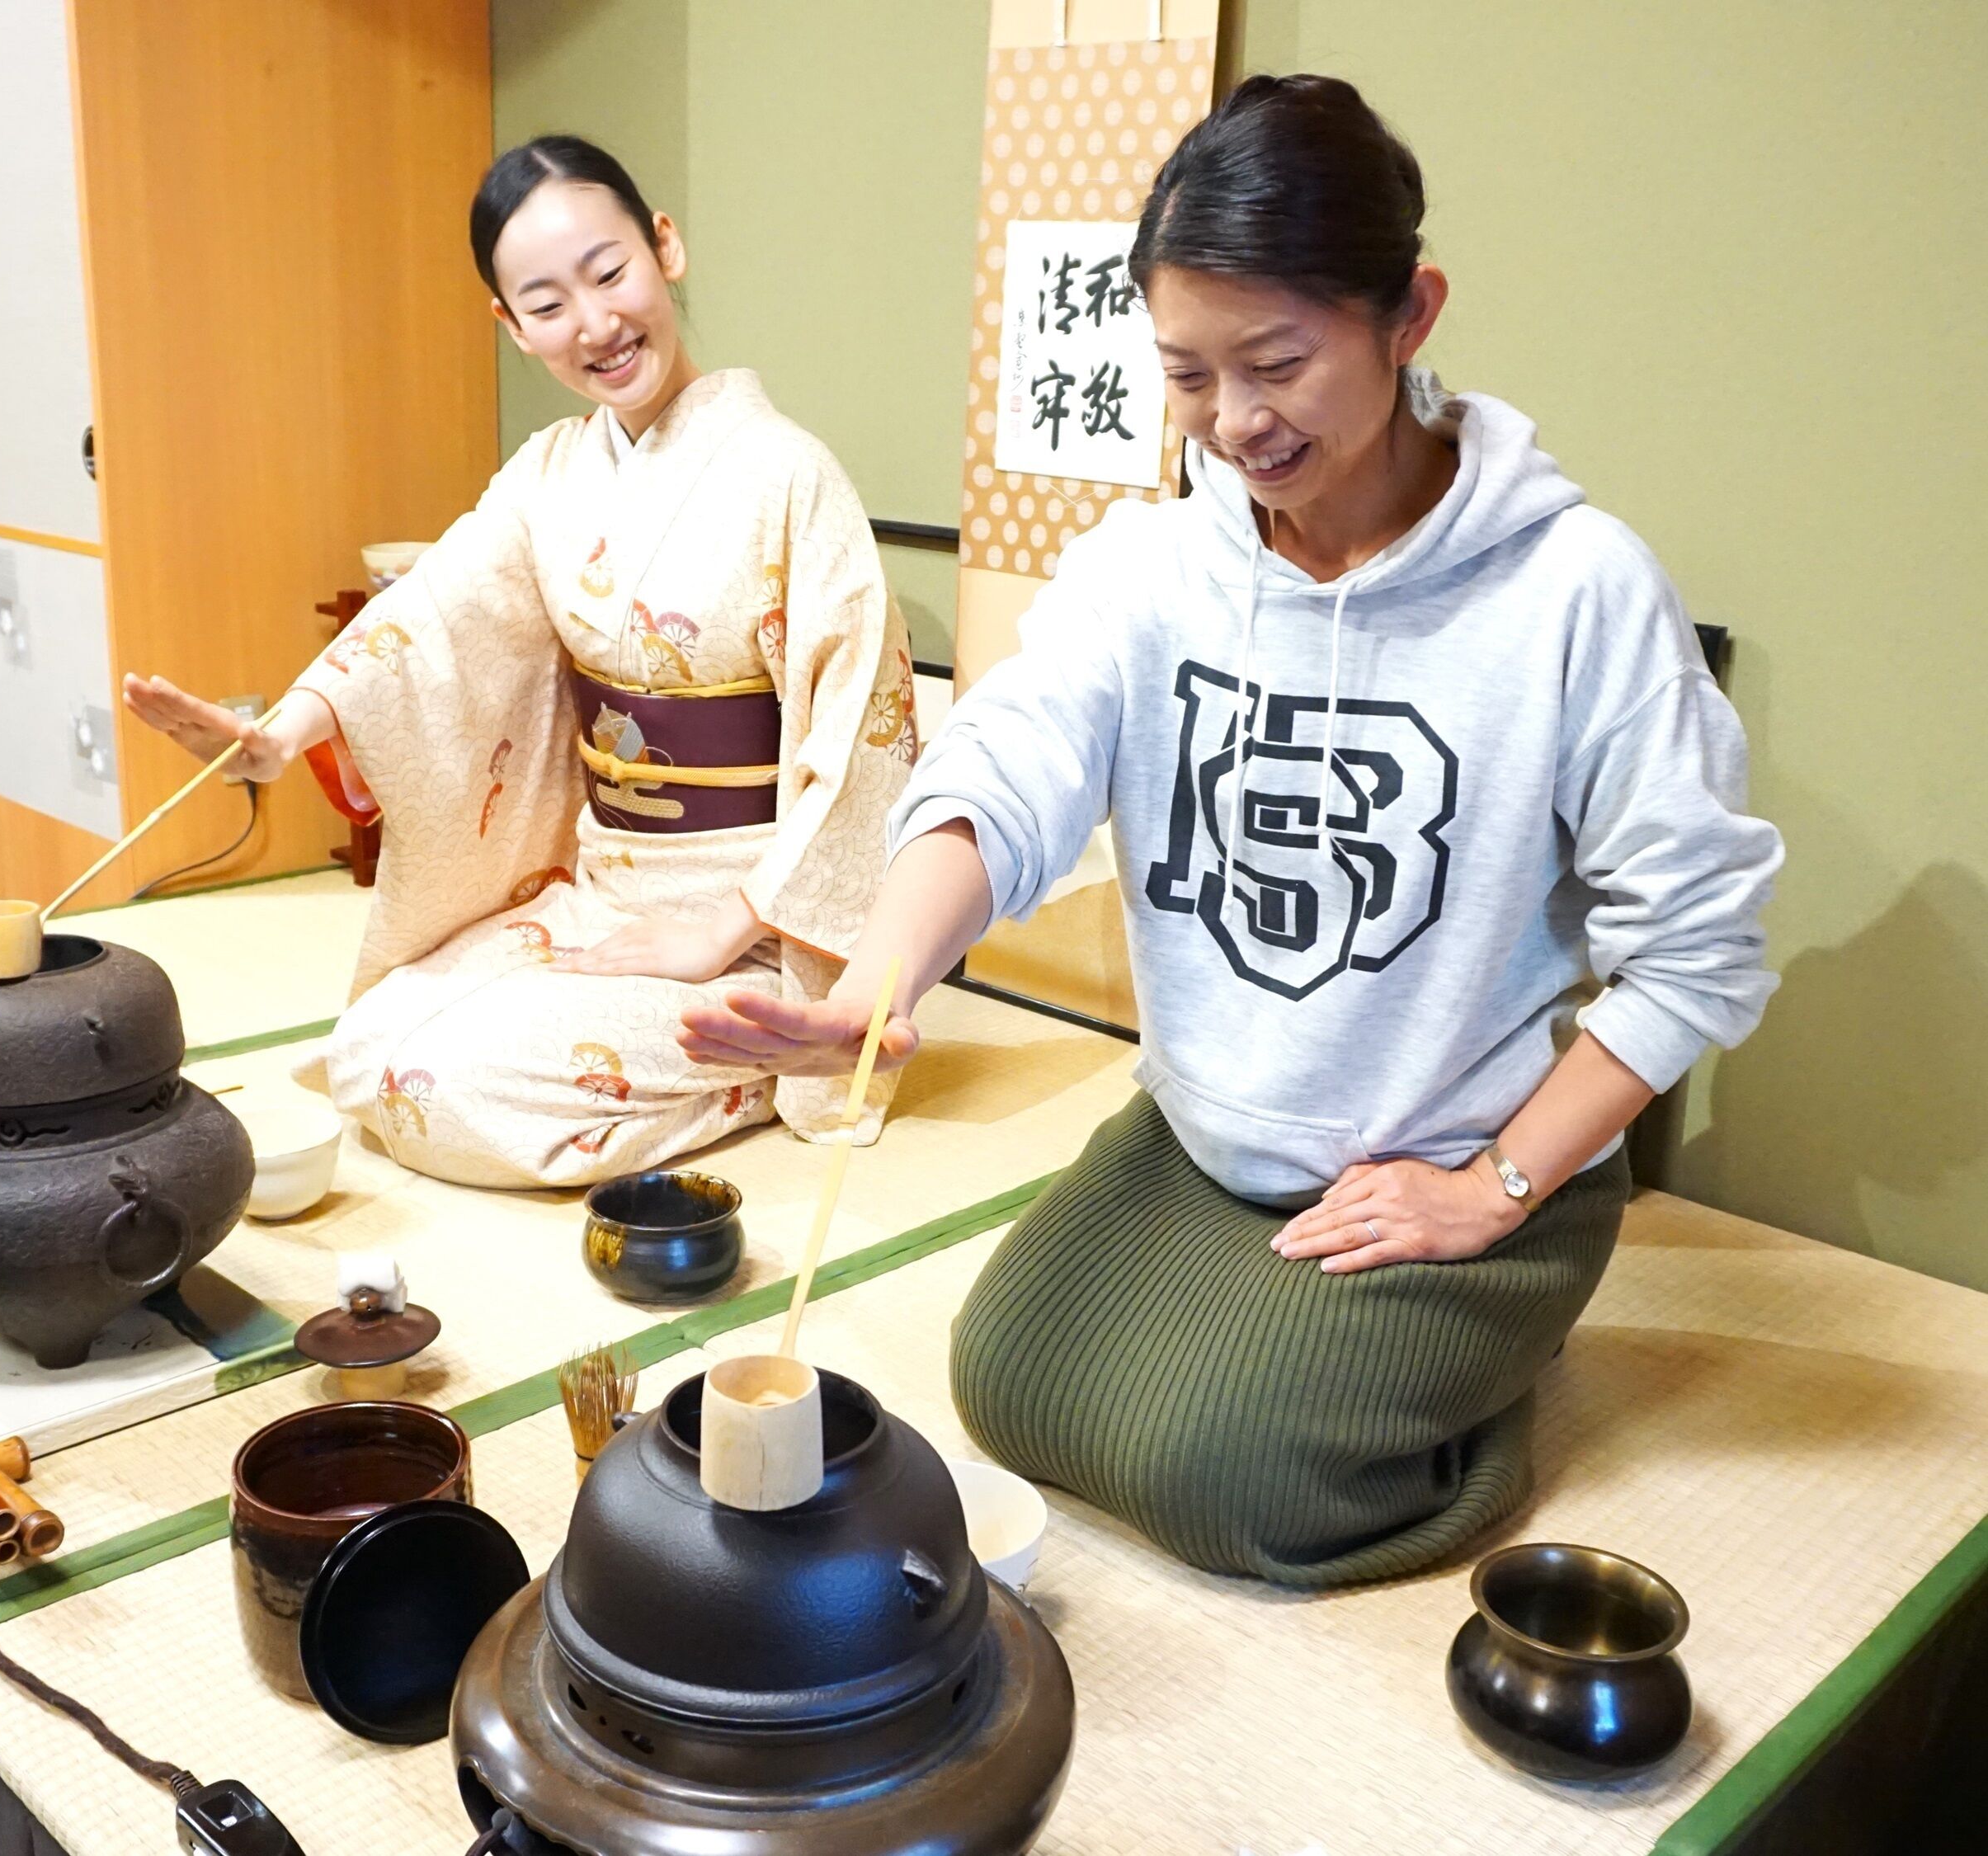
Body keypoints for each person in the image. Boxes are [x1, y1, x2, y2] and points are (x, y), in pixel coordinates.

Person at [681, 75, 1782, 1586]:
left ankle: (1490, 1379)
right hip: (1213, 1137)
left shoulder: (1575, 591)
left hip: (1460, 1157)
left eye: (1277, 363)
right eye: (1188, 375)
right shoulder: (1153, 565)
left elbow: (1699, 956)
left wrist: (1496, 1188)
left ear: (1409, 316)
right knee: (1005, 1382)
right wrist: (875, 991)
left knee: (1227, 1481)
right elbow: (1007, 765)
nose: (1235, 423)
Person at [125, 136, 915, 1189]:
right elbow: (432, 616)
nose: (594, 325)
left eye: (610, 272)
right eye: (547, 305)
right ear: (511, 324)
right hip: (600, 893)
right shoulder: (551, 474)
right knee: (370, 1047)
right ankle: (697, 1064)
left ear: (665, 247)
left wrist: (724, 930)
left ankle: (762, 1059)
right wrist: (278, 738)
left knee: (454, 1082)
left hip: (756, 923)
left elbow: (860, 745)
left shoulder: (789, 477)